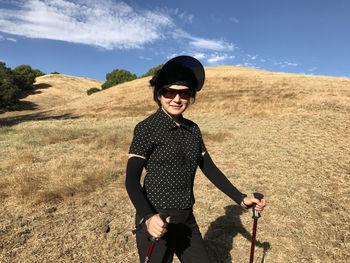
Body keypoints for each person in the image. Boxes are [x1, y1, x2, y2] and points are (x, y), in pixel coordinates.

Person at [125, 55, 266, 263]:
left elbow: (209, 168)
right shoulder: (146, 128)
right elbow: (131, 180)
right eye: (169, 91)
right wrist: (148, 217)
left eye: (184, 93)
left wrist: (241, 198)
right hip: (157, 220)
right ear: (158, 94)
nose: (177, 99)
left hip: (186, 221)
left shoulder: (193, 130)